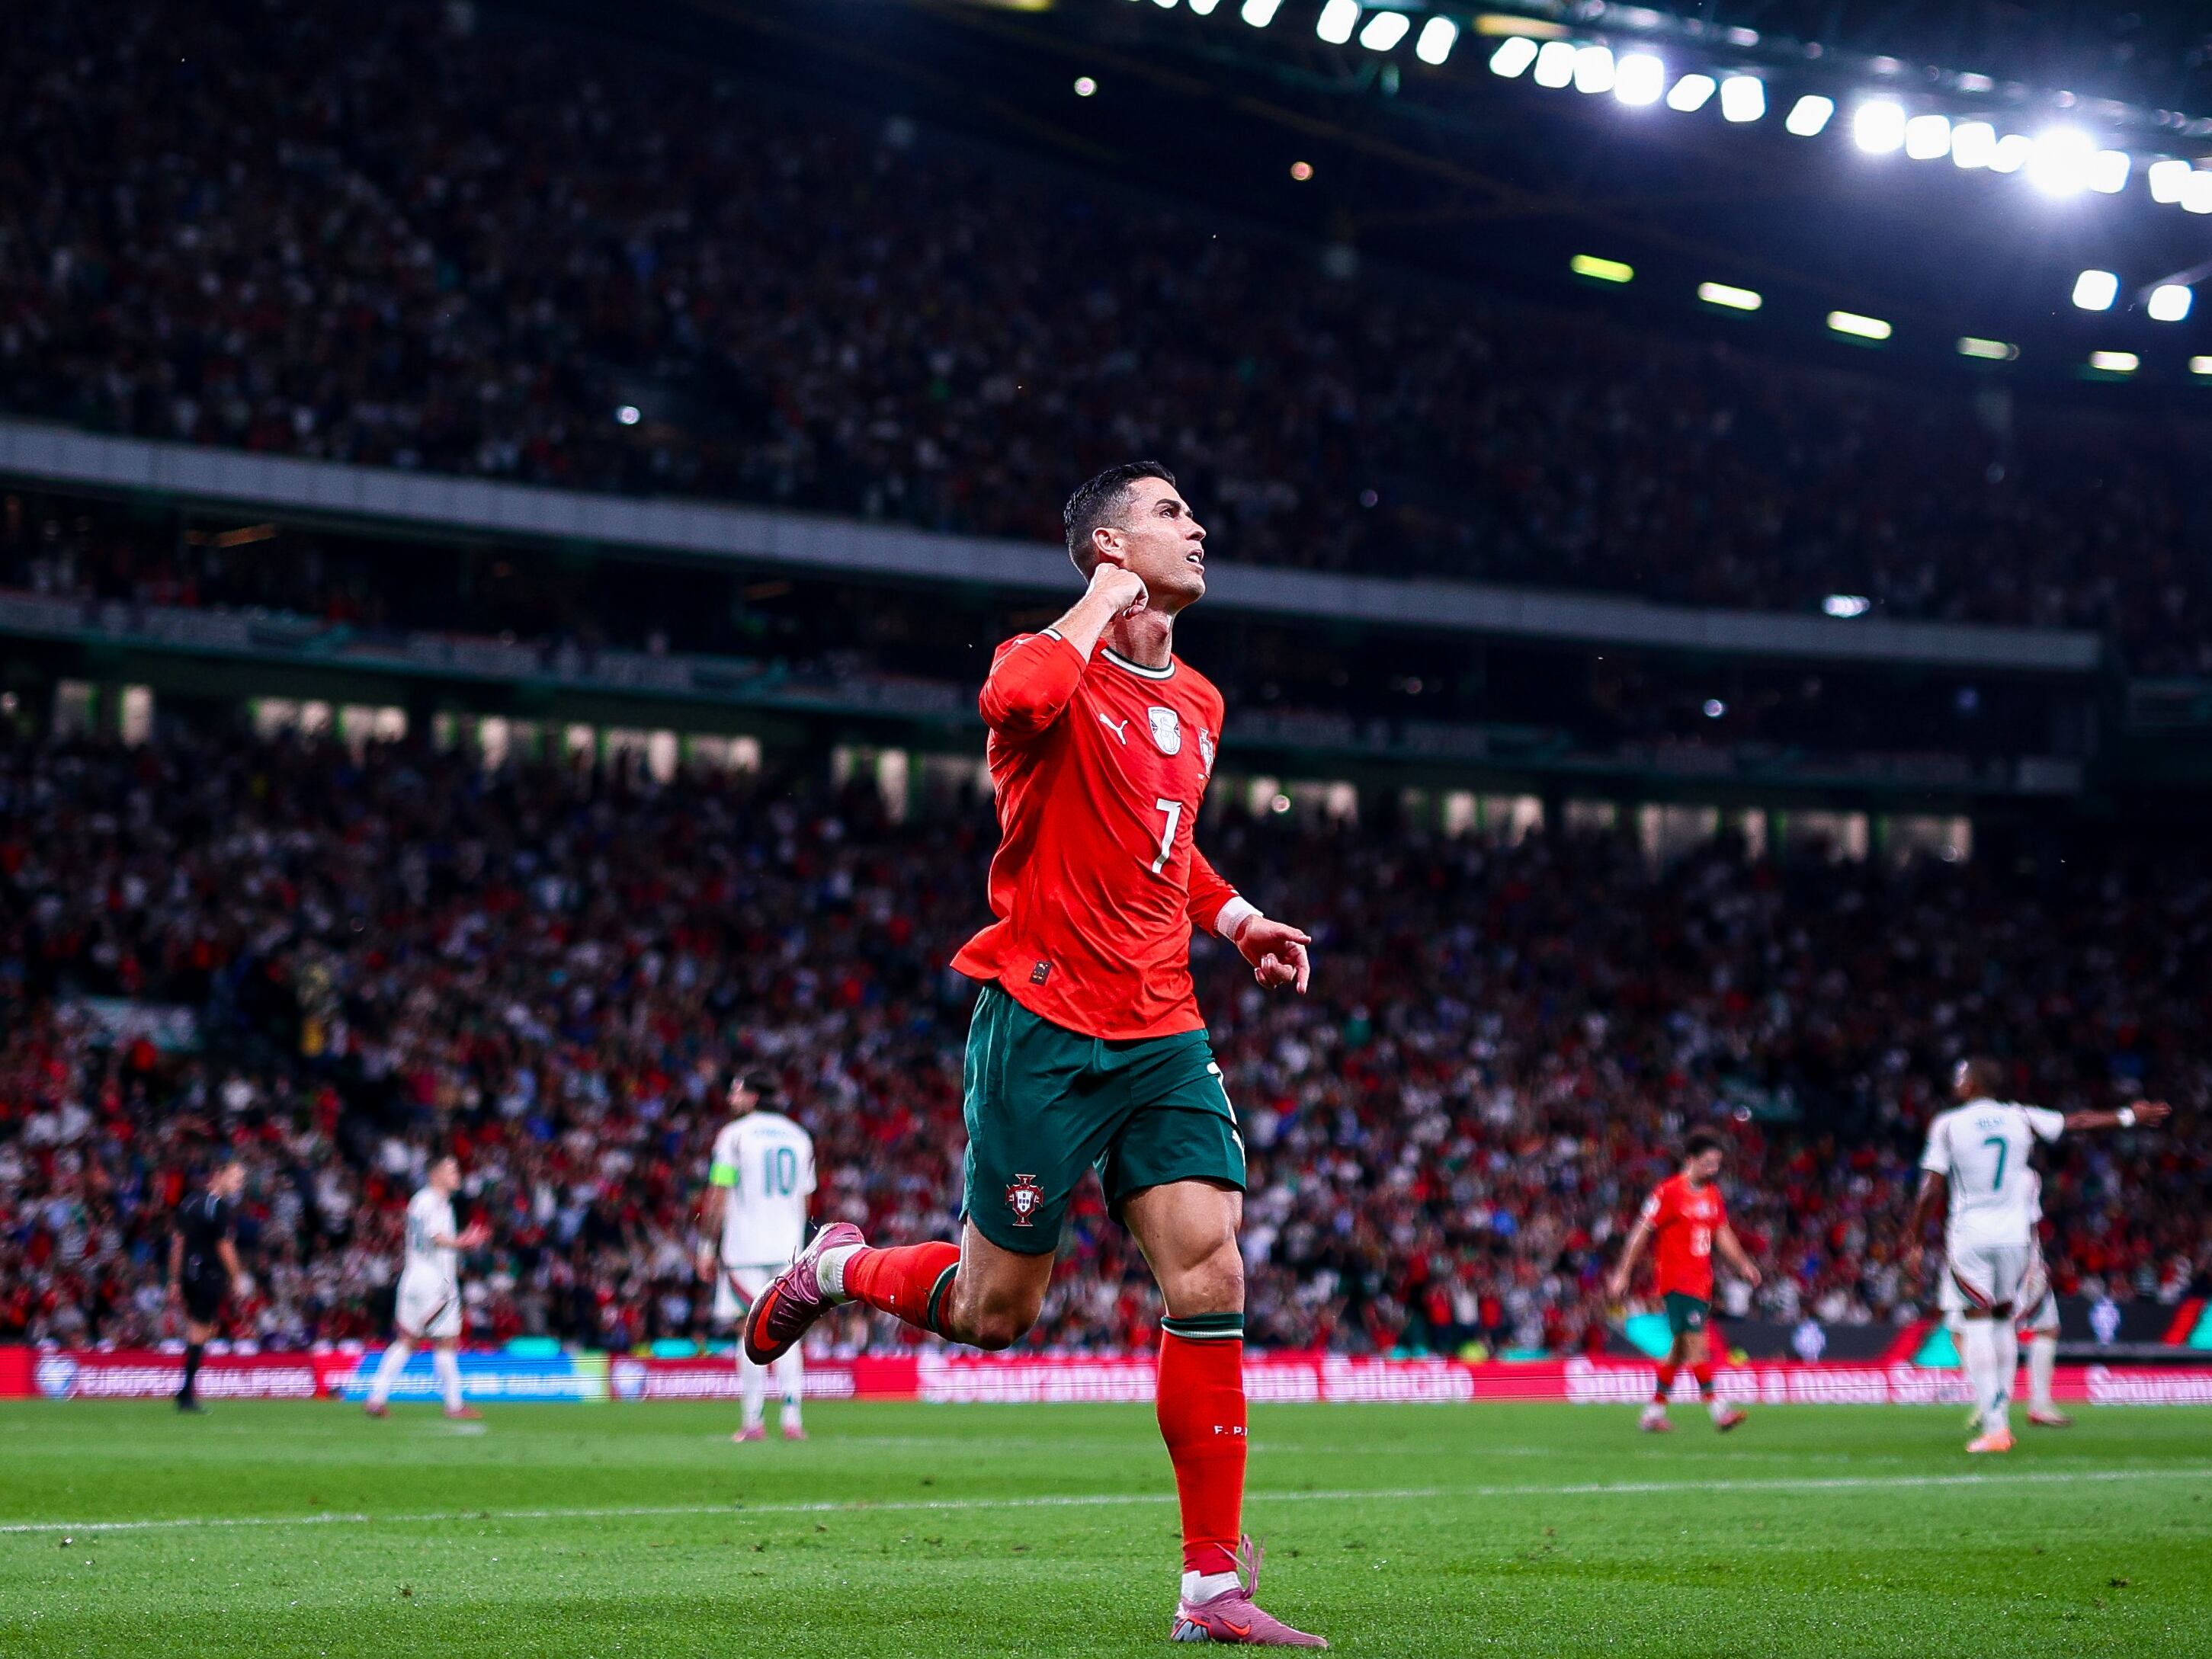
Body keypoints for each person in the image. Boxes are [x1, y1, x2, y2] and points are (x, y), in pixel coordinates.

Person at [743, 463, 1326, 1646]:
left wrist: (1237, 919)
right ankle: (838, 1267)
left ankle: (1209, 1585)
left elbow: (1175, 853)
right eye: (1169, 513)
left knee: (1210, 1273)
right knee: (995, 1310)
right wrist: (1101, 599)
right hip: (1046, 1022)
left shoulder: (1203, 703)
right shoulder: (1051, 664)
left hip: (1161, 1022)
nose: (1197, 525)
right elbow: (1013, 695)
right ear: (1110, 544)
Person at [1904, 1057, 2170, 1454]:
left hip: (1971, 1235)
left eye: (1960, 1077)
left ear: (1974, 1083)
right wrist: (2129, 1116)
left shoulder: (1949, 1123)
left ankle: (1995, 1425)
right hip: (2015, 1239)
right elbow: (2077, 1122)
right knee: (2003, 1322)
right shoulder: (2020, 1117)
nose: (1955, 1082)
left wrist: (1913, 1239)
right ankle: (2002, 1412)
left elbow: (1930, 1188)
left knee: (1976, 1324)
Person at [1607, 1129, 1762, 1434]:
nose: (1713, 1170)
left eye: (1717, 1164)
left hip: (1702, 1281)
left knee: (1679, 1350)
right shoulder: (1668, 1192)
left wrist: (1743, 1263)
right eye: (1707, 1163)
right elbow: (1641, 1232)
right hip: (1677, 1281)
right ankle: (1719, 1411)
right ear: (1690, 1160)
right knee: (1696, 1344)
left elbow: (1722, 1232)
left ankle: (1653, 1413)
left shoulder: (1712, 1194)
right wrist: (1623, 1272)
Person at [697, 1070, 816, 1443]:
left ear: (752, 1097)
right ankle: (793, 1419)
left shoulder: (733, 1136)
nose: (731, 1098)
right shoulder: (800, 1137)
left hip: (744, 1249)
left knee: (747, 1332)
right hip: (788, 1250)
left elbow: (719, 1192)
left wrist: (705, 1247)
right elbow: (806, 1199)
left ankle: (753, 1422)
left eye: (735, 1091)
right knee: (788, 1334)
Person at [364, 1155, 489, 1420]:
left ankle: (376, 1398)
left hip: (414, 1278)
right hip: (434, 1282)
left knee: (407, 1340)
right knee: (446, 1342)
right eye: (451, 1170)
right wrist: (461, 1243)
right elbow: (434, 1237)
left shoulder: (426, 1201)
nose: (457, 1174)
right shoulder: (431, 1201)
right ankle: (454, 1406)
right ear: (435, 1175)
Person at [168, 1158, 248, 1413]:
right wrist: (238, 1277)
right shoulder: (219, 1207)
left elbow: (178, 1243)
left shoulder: (190, 1201)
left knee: (202, 1330)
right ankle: (186, 1394)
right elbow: (224, 1246)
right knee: (200, 1332)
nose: (239, 1184)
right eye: (236, 1178)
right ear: (219, 1174)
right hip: (208, 1276)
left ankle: (185, 1391)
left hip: (189, 1276)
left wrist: (174, 1280)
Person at [2012, 1171, 2069, 1429]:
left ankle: (1989, 1404)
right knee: (2046, 1329)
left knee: (1990, 1327)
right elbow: (2029, 1223)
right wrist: (2035, 1263)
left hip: (1977, 1250)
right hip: (2019, 1256)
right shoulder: (2026, 1176)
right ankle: (2039, 1405)